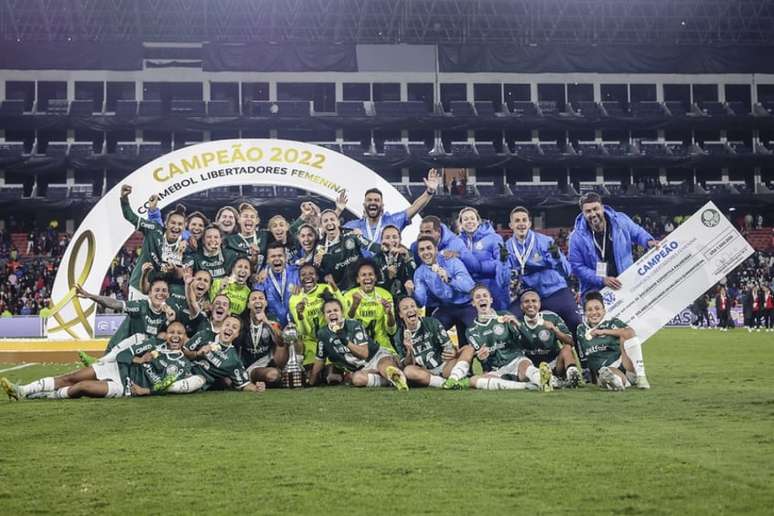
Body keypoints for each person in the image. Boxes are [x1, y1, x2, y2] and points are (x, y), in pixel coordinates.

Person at [2, 322, 192, 400]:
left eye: (179, 333)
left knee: (83, 386)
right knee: (71, 377)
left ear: (185, 337)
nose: (175, 336)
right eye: (172, 332)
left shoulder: (182, 362)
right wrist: (139, 359)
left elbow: (167, 383)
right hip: (117, 368)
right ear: (166, 334)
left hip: (125, 387)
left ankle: (45, 395)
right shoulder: (153, 344)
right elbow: (122, 355)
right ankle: (23, 390)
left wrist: (145, 391)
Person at [502, 206, 580, 333]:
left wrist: (557, 258)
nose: (521, 224)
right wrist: (502, 263)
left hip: (554, 290)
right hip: (530, 295)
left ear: (529, 223)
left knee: (575, 322)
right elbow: (502, 280)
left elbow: (566, 271)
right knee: (510, 322)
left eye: (524, 220)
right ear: (511, 225)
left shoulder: (545, 241)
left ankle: (582, 351)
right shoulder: (507, 247)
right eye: (517, 221)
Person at [461, 285, 554, 391]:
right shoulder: (471, 330)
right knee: (474, 380)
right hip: (496, 370)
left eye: (485, 295)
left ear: (491, 300)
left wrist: (518, 325)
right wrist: (483, 358)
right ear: (473, 303)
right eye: (477, 297)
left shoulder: (505, 316)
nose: (482, 298)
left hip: (516, 362)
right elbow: (485, 364)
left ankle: (544, 381)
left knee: (526, 366)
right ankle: (526, 386)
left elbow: (530, 341)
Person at [308, 296, 408, 390]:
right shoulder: (323, 334)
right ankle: (391, 381)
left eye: (335, 310)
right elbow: (319, 361)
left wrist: (345, 341)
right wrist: (311, 383)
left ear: (342, 312)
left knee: (386, 368)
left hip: (376, 357)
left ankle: (397, 378)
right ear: (324, 316)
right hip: (361, 370)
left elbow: (364, 354)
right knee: (357, 379)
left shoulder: (353, 325)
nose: (332, 313)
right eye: (328, 312)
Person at [568, 192, 658, 296]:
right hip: (596, 290)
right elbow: (577, 266)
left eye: (595, 209)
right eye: (588, 211)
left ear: (602, 207)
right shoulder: (576, 237)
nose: (593, 214)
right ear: (583, 213)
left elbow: (637, 232)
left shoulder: (620, 220)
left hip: (625, 281)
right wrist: (601, 279)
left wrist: (648, 241)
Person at [120, 185, 187, 299]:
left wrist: (174, 270)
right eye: (173, 223)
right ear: (166, 224)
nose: (176, 226)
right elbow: (130, 217)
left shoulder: (183, 247)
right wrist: (124, 199)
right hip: (138, 288)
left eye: (180, 224)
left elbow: (180, 274)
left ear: (184, 227)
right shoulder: (153, 228)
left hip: (160, 293)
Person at [392, 296, 474, 388]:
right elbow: (406, 365)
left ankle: (453, 378)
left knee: (469, 349)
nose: (410, 310)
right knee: (408, 371)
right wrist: (409, 350)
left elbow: (449, 348)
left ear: (417, 309)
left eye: (412, 306)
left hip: (444, 366)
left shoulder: (432, 322)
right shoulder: (399, 336)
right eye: (405, 308)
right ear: (400, 314)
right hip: (425, 372)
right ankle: (443, 383)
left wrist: (452, 351)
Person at [343, 168, 441, 245]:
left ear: (382, 205)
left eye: (376, 200)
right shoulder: (352, 226)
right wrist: (338, 210)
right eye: (369, 200)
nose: (373, 202)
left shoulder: (393, 221)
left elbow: (415, 207)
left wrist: (429, 192)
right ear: (364, 205)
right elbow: (332, 231)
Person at [75, 279, 174, 353]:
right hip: (129, 347)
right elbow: (115, 304)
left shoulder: (170, 311)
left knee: (162, 337)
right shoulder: (140, 305)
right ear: (149, 294)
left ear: (168, 294)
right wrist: (91, 296)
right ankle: (105, 359)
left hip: (148, 351)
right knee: (137, 333)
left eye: (164, 290)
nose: (161, 293)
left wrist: (170, 320)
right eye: (157, 290)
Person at [576, 291, 648, 391]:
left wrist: (604, 331)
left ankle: (641, 376)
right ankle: (616, 382)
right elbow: (584, 357)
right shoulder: (580, 329)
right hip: (604, 371)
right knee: (606, 372)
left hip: (625, 367)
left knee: (627, 334)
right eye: (589, 310)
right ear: (584, 313)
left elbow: (630, 332)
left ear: (604, 310)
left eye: (597, 309)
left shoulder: (612, 323)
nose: (593, 313)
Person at [413, 235, 476, 346]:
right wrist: (413, 293)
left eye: (429, 248)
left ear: (436, 249)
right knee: (430, 334)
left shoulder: (451, 261)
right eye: (422, 250)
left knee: (477, 335)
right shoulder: (419, 273)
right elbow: (421, 301)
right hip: (446, 308)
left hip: (466, 306)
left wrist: (450, 279)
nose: (426, 252)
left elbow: (469, 286)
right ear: (418, 253)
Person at [176, 315, 266, 393]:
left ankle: (171, 387)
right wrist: (197, 354)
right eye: (227, 325)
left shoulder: (234, 360)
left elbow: (243, 384)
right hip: (182, 368)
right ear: (221, 327)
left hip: (197, 381)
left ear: (237, 334)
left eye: (234, 327)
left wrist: (257, 388)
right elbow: (183, 353)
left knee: (199, 380)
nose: (229, 328)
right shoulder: (204, 335)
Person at [515, 290, 582, 387]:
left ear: (539, 304)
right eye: (526, 301)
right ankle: (545, 380)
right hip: (532, 368)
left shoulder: (551, 317)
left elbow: (570, 342)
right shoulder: (517, 323)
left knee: (567, 348)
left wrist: (555, 330)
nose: (530, 304)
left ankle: (573, 376)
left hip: (554, 365)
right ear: (521, 306)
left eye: (534, 301)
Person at [288, 263, 345, 366]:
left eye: (311, 273)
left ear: (317, 277)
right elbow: (304, 331)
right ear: (299, 278)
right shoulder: (294, 299)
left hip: (331, 339)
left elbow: (344, 310)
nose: (307, 277)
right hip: (311, 342)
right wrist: (299, 315)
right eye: (303, 274)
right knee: (312, 375)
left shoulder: (326, 288)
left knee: (331, 373)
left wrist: (334, 287)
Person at [234, 290, 289, 387]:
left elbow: (281, 342)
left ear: (266, 303)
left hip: (268, 362)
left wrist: (267, 322)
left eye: (261, 298)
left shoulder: (271, 318)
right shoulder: (242, 321)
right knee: (273, 375)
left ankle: (279, 374)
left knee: (283, 344)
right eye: (253, 299)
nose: (257, 301)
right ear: (248, 305)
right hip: (250, 366)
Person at [317, 209, 379, 290]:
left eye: (332, 219)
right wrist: (317, 264)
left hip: (361, 285)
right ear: (322, 226)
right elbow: (319, 273)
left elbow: (372, 246)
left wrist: (388, 248)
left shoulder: (352, 234)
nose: (329, 223)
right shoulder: (320, 248)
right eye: (325, 221)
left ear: (338, 222)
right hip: (341, 292)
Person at [343, 259, 397, 351]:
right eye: (363, 275)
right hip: (357, 346)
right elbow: (345, 327)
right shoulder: (348, 296)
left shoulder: (385, 295)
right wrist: (354, 306)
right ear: (357, 279)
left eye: (371, 274)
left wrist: (389, 314)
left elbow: (391, 331)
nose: (367, 277)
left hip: (382, 346)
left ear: (376, 277)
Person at [456, 207, 504, 308]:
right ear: (461, 223)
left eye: (472, 218)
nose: (469, 221)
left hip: (491, 287)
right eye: (466, 219)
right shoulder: (456, 242)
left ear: (478, 221)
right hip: (468, 289)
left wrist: (480, 267)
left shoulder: (494, 238)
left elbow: (501, 262)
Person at [254, 241, 300, 326]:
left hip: (297, 324)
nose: (276, 259)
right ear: (267, 260)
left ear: (286, 258)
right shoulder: (262, 279)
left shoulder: (297, 273)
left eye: (280, 255)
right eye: (272, 256)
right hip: (273, 326)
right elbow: (256, 305)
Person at [372, 225, 416, 300]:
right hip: (385, 300)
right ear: (381, 241)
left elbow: (415, 277)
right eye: (387, 237)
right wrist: (388, 277)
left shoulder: (407, 253)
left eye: (395, 237)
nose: (391, 240)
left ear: (400, 239)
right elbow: (376, 288)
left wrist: (407, 260)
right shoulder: (375, 260)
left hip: (405, 299)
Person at [224, 203, 267, 271]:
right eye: (245, 216)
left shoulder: (265, 236)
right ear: (239, 219)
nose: (249, 219)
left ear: (257, 221)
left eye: (252, 217)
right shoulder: (230, 240)